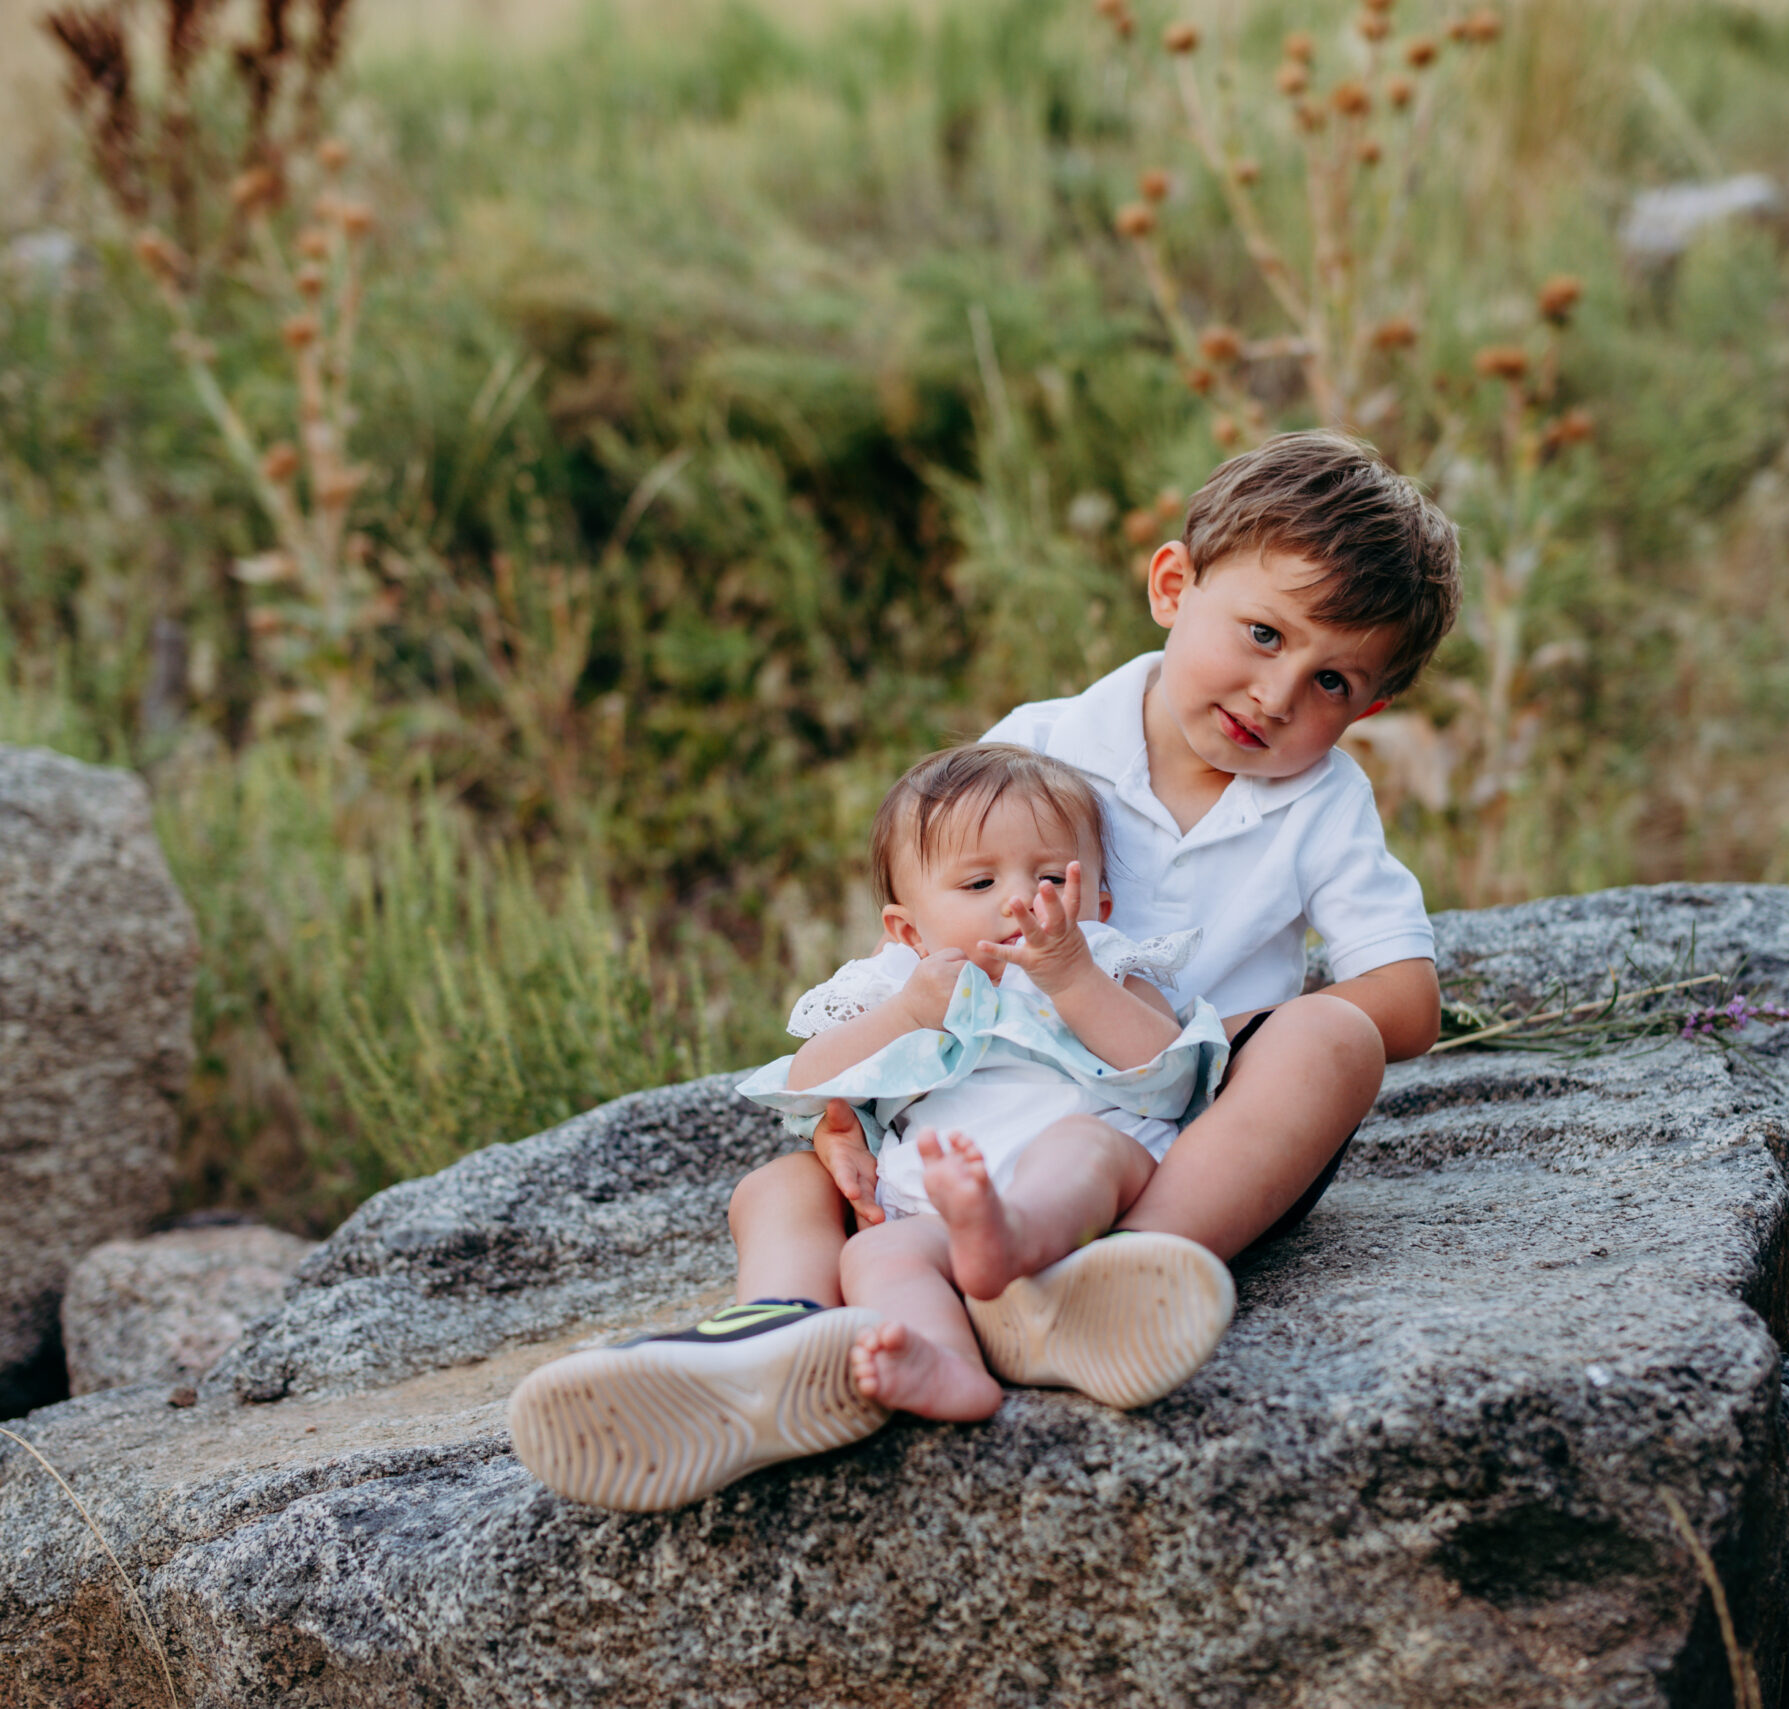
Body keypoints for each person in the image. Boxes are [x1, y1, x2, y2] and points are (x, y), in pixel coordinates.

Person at [511, 428, 1458, 1507]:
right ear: (1170, 584)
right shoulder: (1043, 743)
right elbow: (924, 929)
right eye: (1259, 631)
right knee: (778, 1187)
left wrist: (1205, 1030)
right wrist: (849, 1106)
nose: (1278, 692)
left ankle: (1111, 1278)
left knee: (1328, 1037)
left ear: (1368, 708)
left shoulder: (1320, 800)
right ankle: (778, 1335)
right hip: (972, 1108)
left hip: (1164, 1128)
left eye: (1330, 678)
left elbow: (1406, 1004)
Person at [508, 744, 1238, 1510]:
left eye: (1052, 876)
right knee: (875, 1253)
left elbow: (1169, 1072)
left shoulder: (1112, 963)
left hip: (1067, 1185)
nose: (1019, 900)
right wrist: (910, 1012)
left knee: (1080, 1148)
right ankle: (913, 1359)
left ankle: (1013, 1242)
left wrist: (1074, 976)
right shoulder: (898, 983)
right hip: (927, 1206)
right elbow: (806, 1080)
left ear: (1104, 902)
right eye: (981, 882)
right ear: (906, 929)